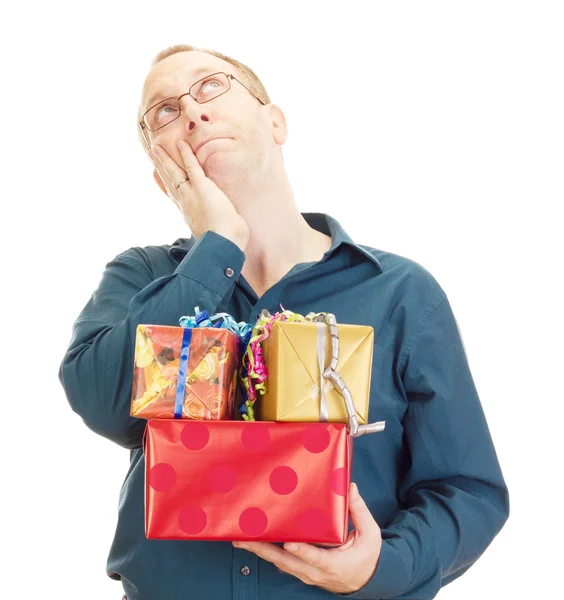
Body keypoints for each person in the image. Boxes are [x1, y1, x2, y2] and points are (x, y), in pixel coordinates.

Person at [58, 44, 510, 600]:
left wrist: (381, 568)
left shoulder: (402, 294)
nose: (193, 112)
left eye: (210, 88)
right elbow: (105, 406)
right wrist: (217, 245)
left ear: (276, 121)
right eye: (164, 113)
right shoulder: (139, 278)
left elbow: (468, 490)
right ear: (161, 175)